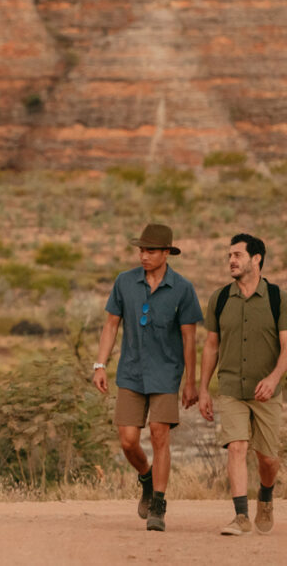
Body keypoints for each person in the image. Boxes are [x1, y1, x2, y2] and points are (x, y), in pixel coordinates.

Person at [92, 223, 203, 532]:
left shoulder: (183, 289)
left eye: (150, 251)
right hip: (130, 371)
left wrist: (191, 383)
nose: (143, 255)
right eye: (141, 250)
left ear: (166, 253)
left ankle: (158, 504)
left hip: (166, 373)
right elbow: (111, 325)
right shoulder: (124, 282)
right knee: (128, 441)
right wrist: (99, 365)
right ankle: (146, 477)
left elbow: (189, 339)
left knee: (159, 434)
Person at [199, 232, 287, 536]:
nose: (231, 260)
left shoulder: (278, 298)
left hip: (267, 393)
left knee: (267, 458)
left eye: (238, 255)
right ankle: (241, 516)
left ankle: (265, 498)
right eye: (229, 255)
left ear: (256, 259)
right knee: (237, 447)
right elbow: (211, 346)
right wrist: (203, 388)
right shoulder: (219, 299)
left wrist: (273, 377)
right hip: (231, 388)